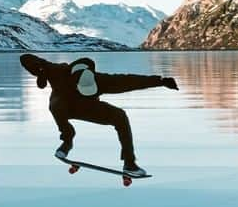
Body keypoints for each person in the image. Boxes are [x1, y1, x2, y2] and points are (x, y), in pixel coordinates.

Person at [20, 53, 178, 178]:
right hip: (64, 106)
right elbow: (26, 58)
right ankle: (67, 138)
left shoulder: (101, 80)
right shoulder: (57, 71)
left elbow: (130, 81)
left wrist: (160, 81)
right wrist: (40, 72)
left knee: (120, 116)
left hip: (88, 107)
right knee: (56, 105)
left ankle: (129, 163)